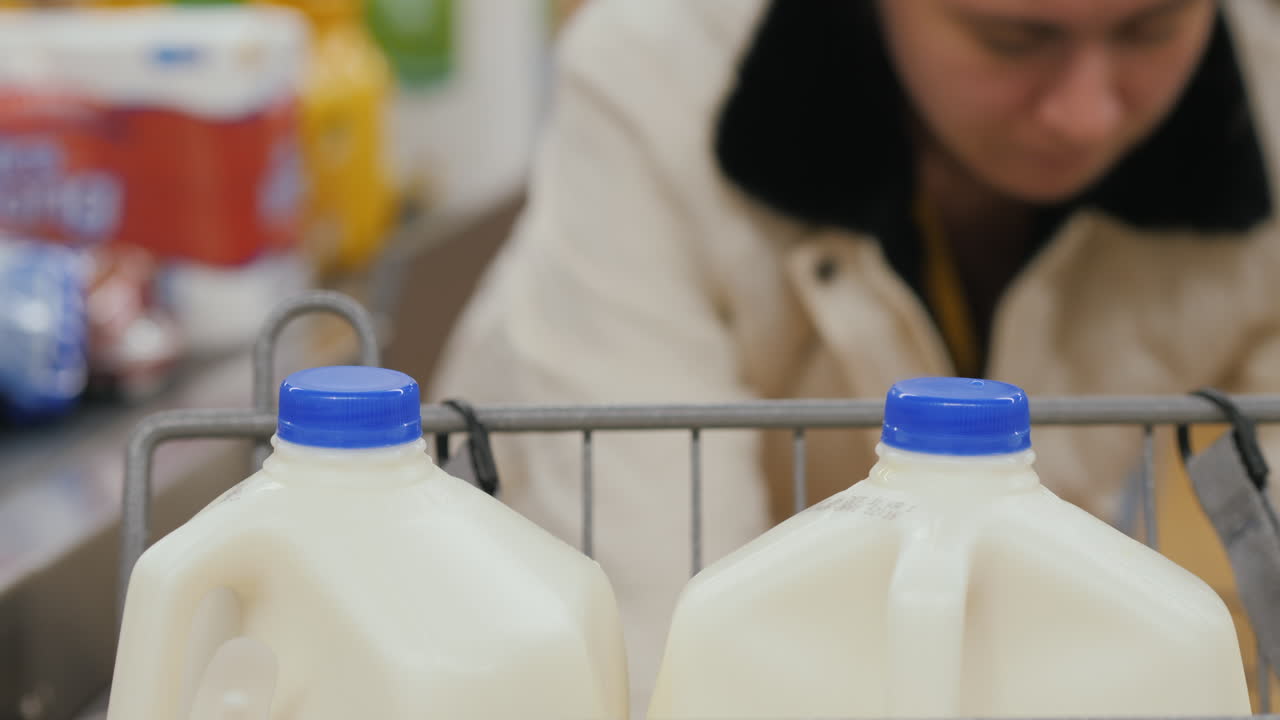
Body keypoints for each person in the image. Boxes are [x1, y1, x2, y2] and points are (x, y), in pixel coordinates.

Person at [431, 0, 1280, 708]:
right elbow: (660, 618)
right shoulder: (655, 81)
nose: (1085, 112)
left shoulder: (1265, 90)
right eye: (1013, 39)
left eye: (1151, 30)